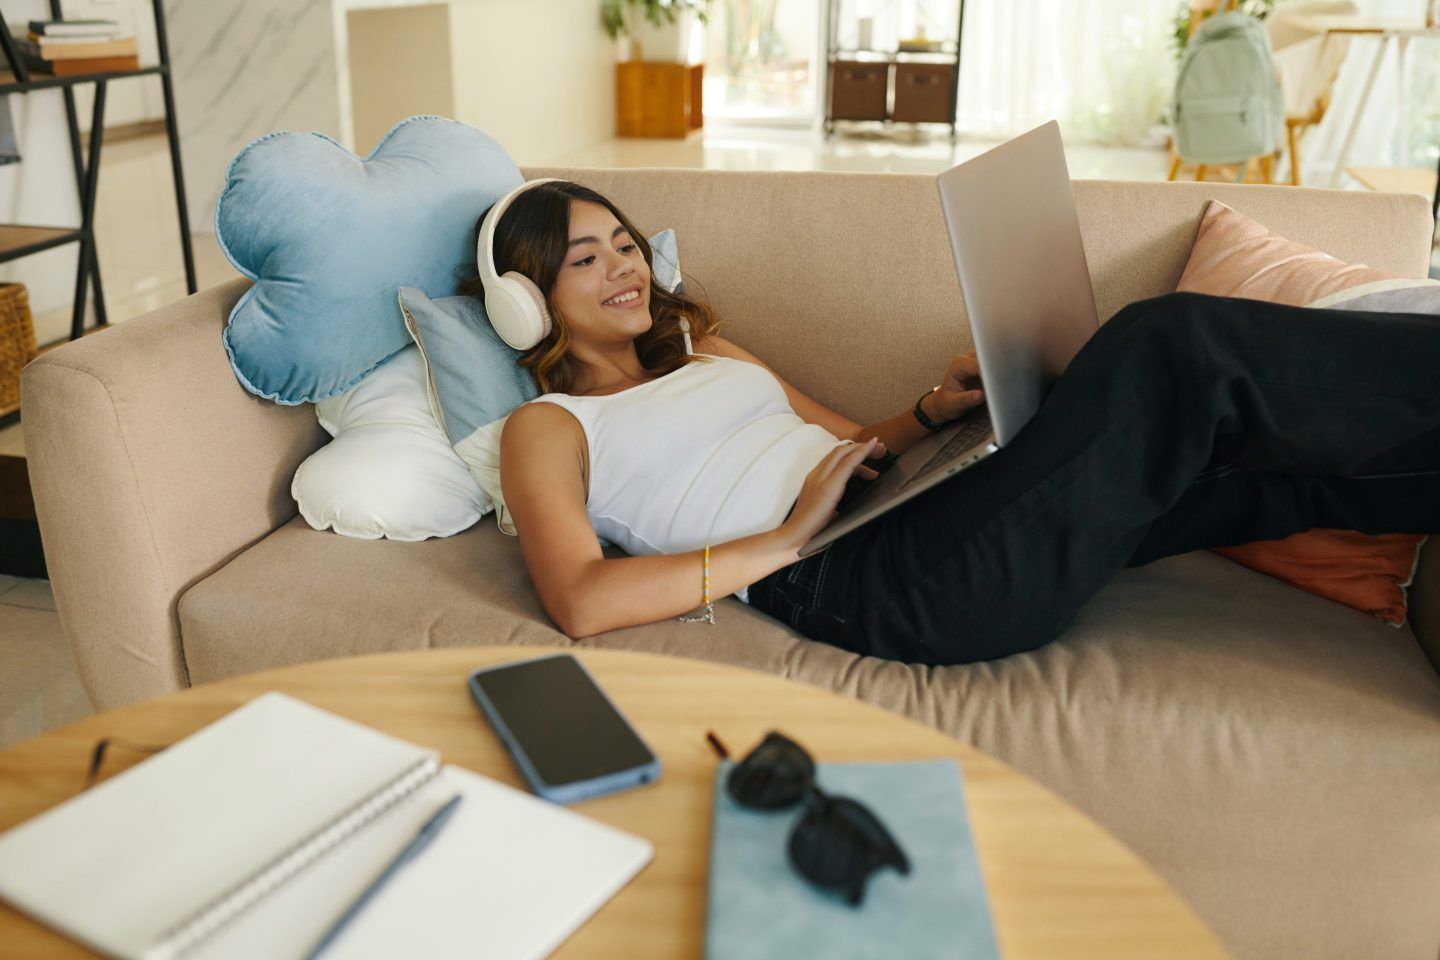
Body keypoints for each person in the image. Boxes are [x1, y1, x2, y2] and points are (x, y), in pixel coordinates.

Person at [463, 180, 1440, 666]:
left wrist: (938, 411)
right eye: (586, 259)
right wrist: (786, 537)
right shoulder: (550, 429)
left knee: (1238, 465)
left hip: (916, 512)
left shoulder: (711, 354)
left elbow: (855, 441)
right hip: (863, 578)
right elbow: (583, 602)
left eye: (626, 244)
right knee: (1166, 348)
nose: (625, 267)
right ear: (525, 299)